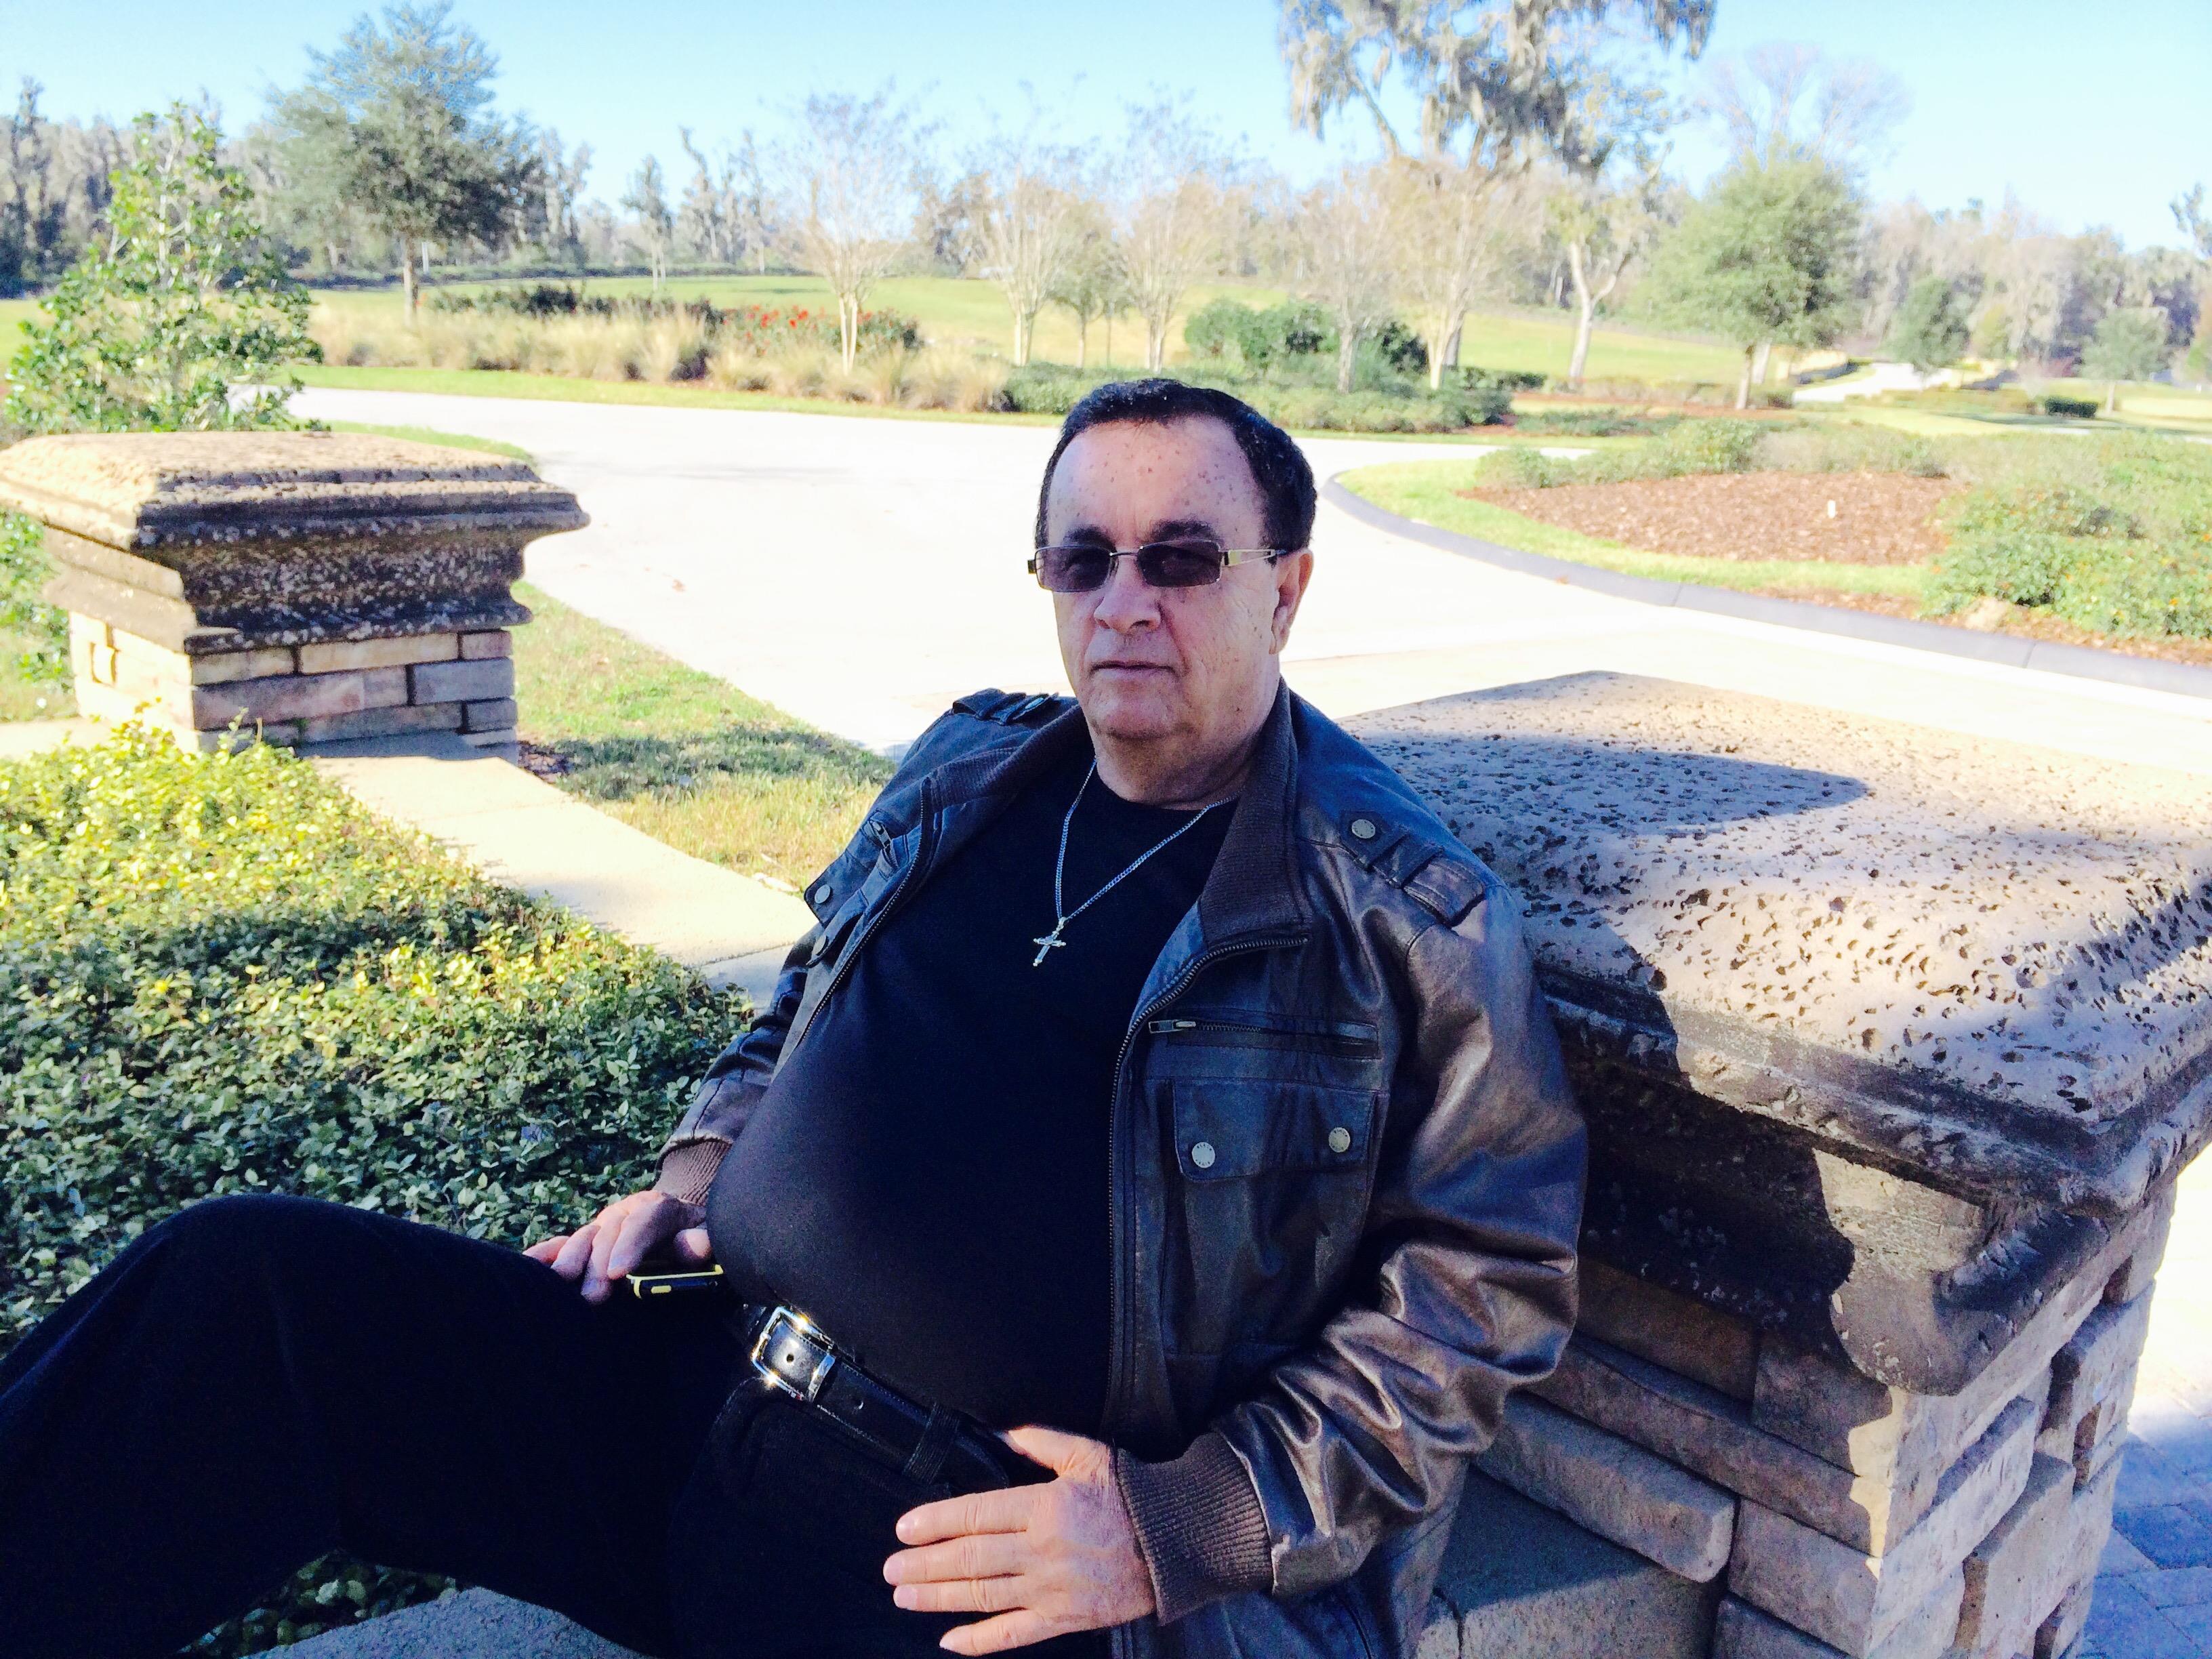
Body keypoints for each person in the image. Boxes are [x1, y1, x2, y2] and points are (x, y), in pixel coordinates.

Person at [0, 380, 1584, 1659]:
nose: (1124, 602)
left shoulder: (1403, 921)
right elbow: (800, 1014)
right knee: (245, 1296)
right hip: (702, 1390)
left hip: (975, 1559)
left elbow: (1484, 1293)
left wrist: (1186, 1525)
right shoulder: (972, 768)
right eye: (1082, 559)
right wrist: (699, 1181)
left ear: (1285, 585)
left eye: (1183, 559)